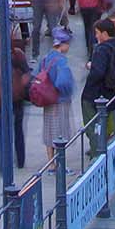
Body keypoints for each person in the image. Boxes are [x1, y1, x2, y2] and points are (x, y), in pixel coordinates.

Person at [81, 19, 115, 155]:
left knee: (93, 127)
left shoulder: (101, 50)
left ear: (104, 33)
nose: (96, 36)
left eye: (97, 33)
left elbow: (98, 72)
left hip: (94, 96)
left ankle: (97, 154)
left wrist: (91, 67)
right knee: (106, 125)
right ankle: (103, 150)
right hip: (112, 96)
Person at [0, 41, 30, 173]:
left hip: (1, 99)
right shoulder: (18, 55)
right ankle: (20, 160)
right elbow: (27, 75)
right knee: (18, 128)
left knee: (2, 131)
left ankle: (4, 164)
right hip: (17, 97)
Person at [34, 25, 76, 153]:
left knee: (49, 131)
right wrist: (69, 91)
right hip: (60, 99)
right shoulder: (61, 61)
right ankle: (60, 164)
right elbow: (63, 82)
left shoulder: (46, 58)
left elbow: (36, 74)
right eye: (67, 44)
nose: (68, 47)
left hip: (47, 99)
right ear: (62, 44)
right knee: (60, 132)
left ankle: (51, 162)